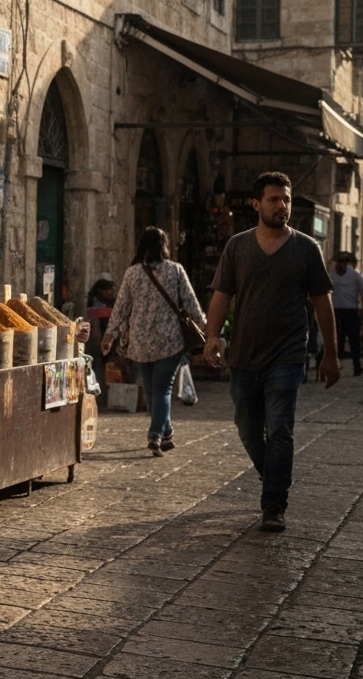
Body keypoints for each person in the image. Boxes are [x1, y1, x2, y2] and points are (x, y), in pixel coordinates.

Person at [205, 171, 339, 534]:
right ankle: (275, 477)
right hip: (245, 356)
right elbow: (221, 295)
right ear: (256, 204)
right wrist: (211, 336)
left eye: (286, 200)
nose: (282, 206)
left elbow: (321, 303)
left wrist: (331, 353)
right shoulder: (237, 246)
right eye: (274, 199)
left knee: (279, 428)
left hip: (288, 355)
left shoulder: (306, 249)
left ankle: (274, 503)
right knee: (248, 429)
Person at [101, 227, 205, 457]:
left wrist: (110, 335)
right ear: (164, 246)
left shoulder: (132, 274)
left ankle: (157, 433)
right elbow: (192, 305)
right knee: (160, 389)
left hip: (140, 343)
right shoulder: (176, 271)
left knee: (153, 390)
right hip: (170, 343)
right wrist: (207, 327)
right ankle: (162, 432)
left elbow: (120, 308)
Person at [329, 250, 363, 377]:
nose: (341, 264)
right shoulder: (332, 276)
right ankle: (337, 364)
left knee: (354, 339)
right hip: (337, 310)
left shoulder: (354, 275)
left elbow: (362, 289)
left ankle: (356, 365)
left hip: (351, 310)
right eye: (339, 262)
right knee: (338, 338)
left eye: (344, 262)